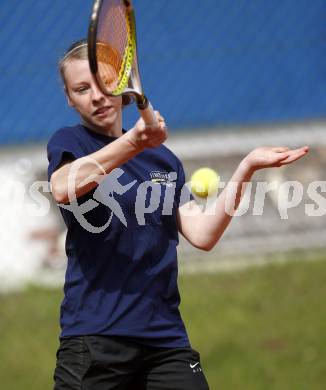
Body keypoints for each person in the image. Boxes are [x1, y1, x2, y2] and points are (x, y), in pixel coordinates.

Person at [47, 39, 309, 390]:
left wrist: (247, 168)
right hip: (96, 337)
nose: (95, 96)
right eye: (81, 88)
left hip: (164, 338)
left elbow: (202, 235)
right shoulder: (70, 143)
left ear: (121, 85)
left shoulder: (163, 160)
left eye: (103, 82)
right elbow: (64, 188)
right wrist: (135, 142)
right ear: (69, 98)